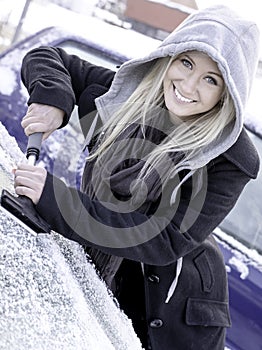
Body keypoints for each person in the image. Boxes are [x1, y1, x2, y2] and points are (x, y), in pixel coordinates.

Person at [14, 5, 260, 350]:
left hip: (175, 311)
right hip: (94, 274)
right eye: (186, 62)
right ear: (170, 54)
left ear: (228, 92)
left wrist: (58, 201)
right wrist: (54, 99)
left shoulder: (232, 160)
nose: (188, 86)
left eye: (211, 79)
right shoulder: (127, 96)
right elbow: (46, 57)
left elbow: (164, 239)